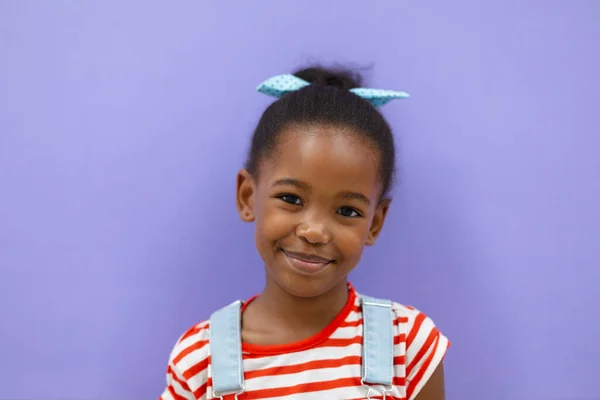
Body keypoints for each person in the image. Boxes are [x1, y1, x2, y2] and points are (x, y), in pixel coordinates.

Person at [159, 66, 449, 400]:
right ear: (247, 196)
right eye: (291, 199)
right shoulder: (199, 361)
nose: (314, 232)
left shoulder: (408, 343)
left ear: (375, 222)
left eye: (347, 211)